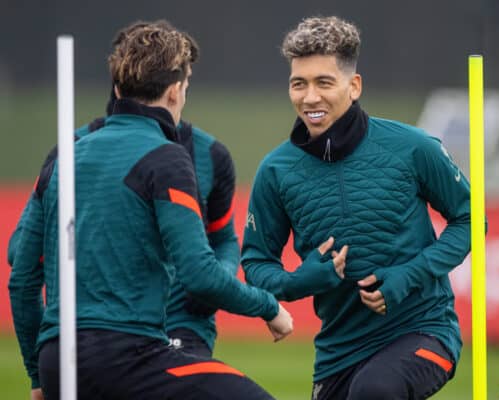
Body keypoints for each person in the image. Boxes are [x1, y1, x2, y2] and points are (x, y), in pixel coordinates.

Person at [9, 22, 292, 400]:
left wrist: (38, 376)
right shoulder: (167, 157)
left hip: (58, 361)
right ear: (175, 91)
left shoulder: (65, 155)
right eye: (187, 87)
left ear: (118, 87)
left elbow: (23, 278)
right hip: (126, 358)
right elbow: (198, 274)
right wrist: (269, 307)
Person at [241, 16, 472, 400]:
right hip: (337, 354)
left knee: (374, 391)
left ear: (354, 86)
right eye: (299, 84)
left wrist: (407, 276)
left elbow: (468, 219)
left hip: (424, 329)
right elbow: (255, 264)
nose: (309, 97)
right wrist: (300, 281)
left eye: (324, 82)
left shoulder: (414, 147)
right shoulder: (275, 171)